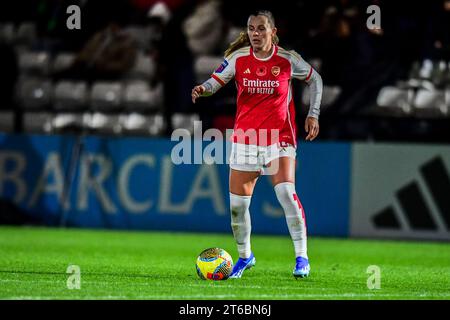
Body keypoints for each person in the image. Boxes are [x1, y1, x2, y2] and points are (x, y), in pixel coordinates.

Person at [191, 10, 322, 278]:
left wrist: (313, 114)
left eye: (261, 28)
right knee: (237, 207)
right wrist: (202, 88)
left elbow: (315, 79)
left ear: (273, 32)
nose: (255, 33)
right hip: (246, 139)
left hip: (280, 137)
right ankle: (245, 257)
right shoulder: (238, 59)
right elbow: (216, 81)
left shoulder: (287, 60)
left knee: (286, 193)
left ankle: (301, 258)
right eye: (251, 28)